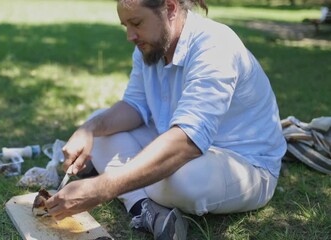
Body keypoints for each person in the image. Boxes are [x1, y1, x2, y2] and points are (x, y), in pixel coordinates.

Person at [45, 0, 287, 239]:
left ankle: (136, 189)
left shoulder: (214, 45)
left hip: (245, 163)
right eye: (125, 26)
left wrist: (102, 187)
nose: (130, 35)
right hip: (176, 142)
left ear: (170, 8)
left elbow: (187, 142)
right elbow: (134, 106)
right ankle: (145, 208)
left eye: (136, 22)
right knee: (98, 127)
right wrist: (88, 129)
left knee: (182, 179)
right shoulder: (149, 45)